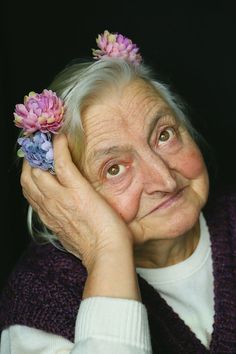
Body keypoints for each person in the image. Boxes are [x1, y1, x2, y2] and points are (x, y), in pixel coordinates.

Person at [0, 30, 236, 354]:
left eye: (164, 135)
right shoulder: (41, 296)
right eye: (114, 169)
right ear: (66, 197)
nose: (164, 180)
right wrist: (108, 251)